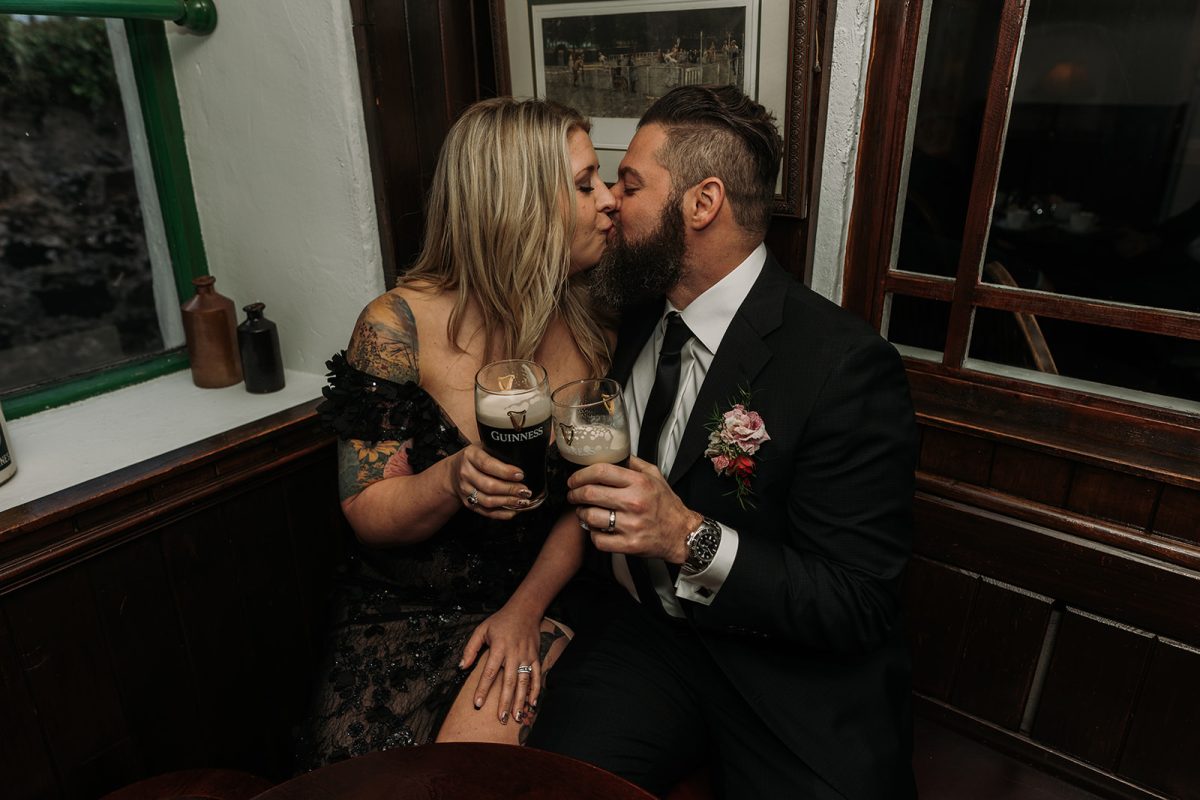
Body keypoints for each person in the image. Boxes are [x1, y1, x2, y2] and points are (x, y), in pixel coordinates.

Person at [527, 85, 919, 799]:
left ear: (702, 204)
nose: (612, 202)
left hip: (781, 667)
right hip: (646, 639)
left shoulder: (841, 366)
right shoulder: (634, 310)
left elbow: (858, 602)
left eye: (630, 183)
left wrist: (688, 538)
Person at [298, 97, 616, 767]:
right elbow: (368, 515)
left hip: (534, 596)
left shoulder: (594, 328)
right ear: (523, 204)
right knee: (359, 779)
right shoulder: (395, 326)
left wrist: (525, 611)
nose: (610, 200)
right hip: (400, 607)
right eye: (587, 184)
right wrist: (450, 479)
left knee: (468, 776)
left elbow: (586, 507)